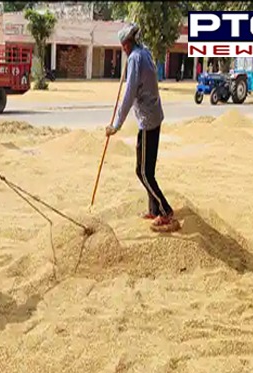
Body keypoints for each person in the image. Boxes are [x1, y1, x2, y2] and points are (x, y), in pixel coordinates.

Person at [106, 24, 180, 233]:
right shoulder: (144, 53)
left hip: (148, 121)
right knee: (148, 169)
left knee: (143, 172)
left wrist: (116, 125)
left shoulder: (135, 59)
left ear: (127, 44)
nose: (123, 49)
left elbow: (129, 95)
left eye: (123, 46)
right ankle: (153, 209)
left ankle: (165, 211)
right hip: (153, 116)